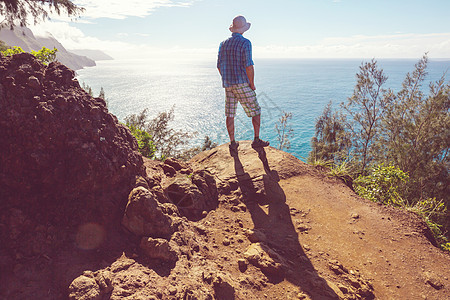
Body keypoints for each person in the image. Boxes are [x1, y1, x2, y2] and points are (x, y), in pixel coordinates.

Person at [217, 15, 269, 155]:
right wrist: (251, 84)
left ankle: (233, 143)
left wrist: (226, 79)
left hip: (228, 84)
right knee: (256, 111)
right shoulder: (246, 43)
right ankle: (256, 140)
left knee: (230, 113)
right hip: (242, 83)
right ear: (244, 29)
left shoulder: (223, 43)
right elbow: (249, 66)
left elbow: (219, 66)